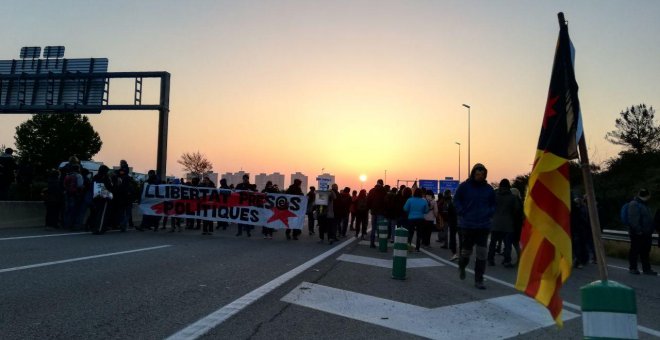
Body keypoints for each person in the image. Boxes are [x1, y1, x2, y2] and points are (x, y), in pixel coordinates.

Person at [454, 163, 496, 289]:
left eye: (482, 174)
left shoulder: (489, 189)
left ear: (485, 175)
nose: (480, 176)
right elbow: (456, 200)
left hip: (483, 226)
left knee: (482, 254)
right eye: (477, 174)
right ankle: (462, 266)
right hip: (468, 225)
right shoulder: (464, 187)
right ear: (473, 174)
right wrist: (462, 211)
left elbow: (494, 204)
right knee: (466, 253)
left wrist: (489, 212)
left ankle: (479, 280)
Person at [487, 179, 520, 268]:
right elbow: (516, 210)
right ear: (509, 186)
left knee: (493, 243)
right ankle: (506, 261)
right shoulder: (512, 198)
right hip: (508, 224)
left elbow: (489, 207)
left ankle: (490, 259)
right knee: (507, 244)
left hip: (495, 223)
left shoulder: (494, 196)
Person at [626, 189, 657, 275]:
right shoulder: (635, 204)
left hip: (646, 233)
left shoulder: (643, 204)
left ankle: (646, 269)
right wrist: (638, 230)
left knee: (645, 251)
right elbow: (633, 219)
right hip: (637, 233)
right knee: (635, 251)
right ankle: (633, 267)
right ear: (648, 195)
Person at [367, 179, 387, 248]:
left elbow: (368, 200)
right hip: (381, 212)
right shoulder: (384, 191)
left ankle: (371, 243)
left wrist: (370, 209)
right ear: (382, 184)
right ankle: (382, 244)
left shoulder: (372, 190)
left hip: (373, 211)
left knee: (373, 228)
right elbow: (386, 201)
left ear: (377, 183)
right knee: (381, 228)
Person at [439, 190, 459, 261]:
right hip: (460, 222)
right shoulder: (455, 202)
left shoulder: (447, 202)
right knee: (461, 237)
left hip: (452, 221)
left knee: (452, 236)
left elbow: (444, 211)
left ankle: (454, 253)